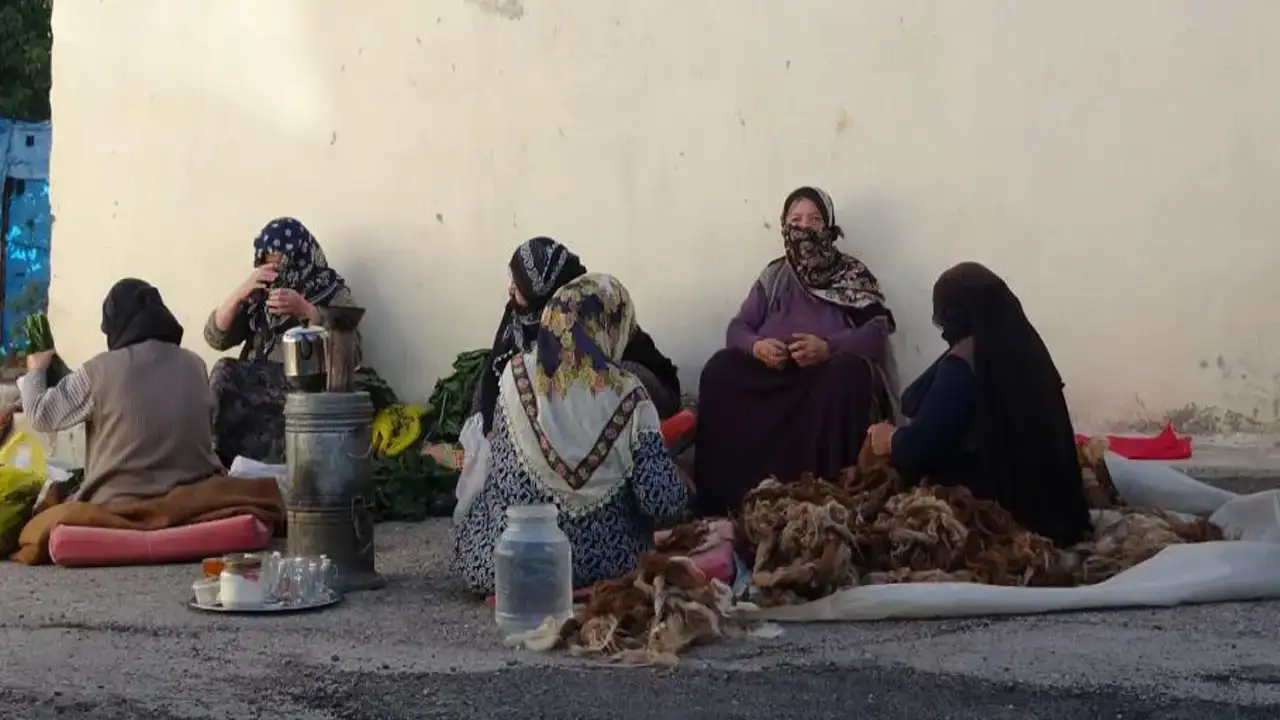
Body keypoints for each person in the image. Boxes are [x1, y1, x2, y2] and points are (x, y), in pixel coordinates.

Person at [451, 273, 691, 595]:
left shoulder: (514, 375)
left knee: (478, 517)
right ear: (612, 327)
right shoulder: (630, 394)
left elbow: (504, 480)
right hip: (610, 564)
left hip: (518, 564)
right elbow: (661, 502)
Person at [693, 187, 896, 516]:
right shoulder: (774, 276)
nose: (804, 228)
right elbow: (738, 328)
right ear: (784, 226)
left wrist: (828, 348)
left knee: (848, 375)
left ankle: (829, 500)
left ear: (828, 227)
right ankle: (726, 502)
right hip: (773, 376)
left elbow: (876, 333)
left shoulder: (851, 274)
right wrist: (757, 346)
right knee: (720, 371)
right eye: (796, 220)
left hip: (821, 378)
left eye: (814, 220)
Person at [867, 261, 1093, 548]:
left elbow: (924, 444)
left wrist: (890, 440)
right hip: (1054, 501)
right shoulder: (1027, 349)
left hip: (1001, 504)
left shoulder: (966, 362)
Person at [18, 279, 224, 505]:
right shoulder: (195, 364)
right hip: (194, 496)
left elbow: (40, 415)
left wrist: (36, 369)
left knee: (37, 525)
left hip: (119, 502)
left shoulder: (99, 371)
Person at [473, 236, 682, 436]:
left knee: (610, 377)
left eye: (517, 286)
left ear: (541, 296)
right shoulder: (520, 312)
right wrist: (488, 428)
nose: (510, 289)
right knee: (507, 377)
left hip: (641, 386)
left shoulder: (579, 310)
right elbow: (496, 370)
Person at [204, 217, 360, 466]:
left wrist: (307, 311)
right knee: (224, 370)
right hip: (256, 384)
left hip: (304, 387)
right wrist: (241, 292)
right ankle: (213, 462)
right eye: (269, 265)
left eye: (282, 265)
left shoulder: (331, 289)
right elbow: (215, 337)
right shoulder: (260, 294)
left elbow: (352, 351)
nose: (277, 274)